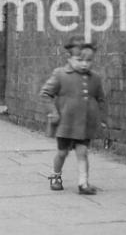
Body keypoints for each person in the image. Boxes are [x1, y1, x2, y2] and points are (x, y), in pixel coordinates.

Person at [40, 36, 108, 195]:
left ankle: (83, 183)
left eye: (89, 60)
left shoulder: (95, 78)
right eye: (79, 60)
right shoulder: (60, 74)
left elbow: (101, 99)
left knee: (82, 152)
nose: (84, 64)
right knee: (62, 153)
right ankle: (55, 176)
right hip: (66, 123)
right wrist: (53, 112)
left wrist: (103, 119)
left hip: (84, 124)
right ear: (69, 58)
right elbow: (45, 94)